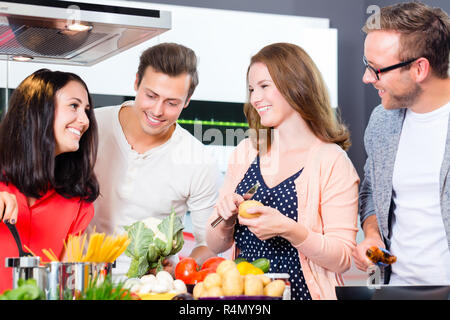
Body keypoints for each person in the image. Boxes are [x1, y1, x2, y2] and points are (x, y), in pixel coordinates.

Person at [206, 42, 360, 300]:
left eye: (265, 86)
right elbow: (214, 243)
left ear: (297, 85)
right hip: (246, 300)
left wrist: (289, 229)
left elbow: (342, 258)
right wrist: (225, 220)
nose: (255, 98)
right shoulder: (246, 152)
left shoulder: (332, 161)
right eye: (252, 89)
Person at [89, 42, 220, 278]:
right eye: (151, 95)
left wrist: (180, 268)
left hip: (150, 291)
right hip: (79, 283)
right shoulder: (91, 127)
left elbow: (208, 244)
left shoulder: (199, 160)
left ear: (187, 101)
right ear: (136, 82)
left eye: (172, 103)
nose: (157, 111)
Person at [353, 2, 450, 285]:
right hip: (396, 290)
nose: (366, 77)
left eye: (377, 69)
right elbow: (372, 192)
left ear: (420, 68)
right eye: (366, 65)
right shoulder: (382, 121)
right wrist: (371, 235)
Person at [0, 69, 99, 293]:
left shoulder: (79, 202)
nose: (84, 121)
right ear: (39, 110)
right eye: (74, 106)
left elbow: (68, 289)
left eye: (86, 111)